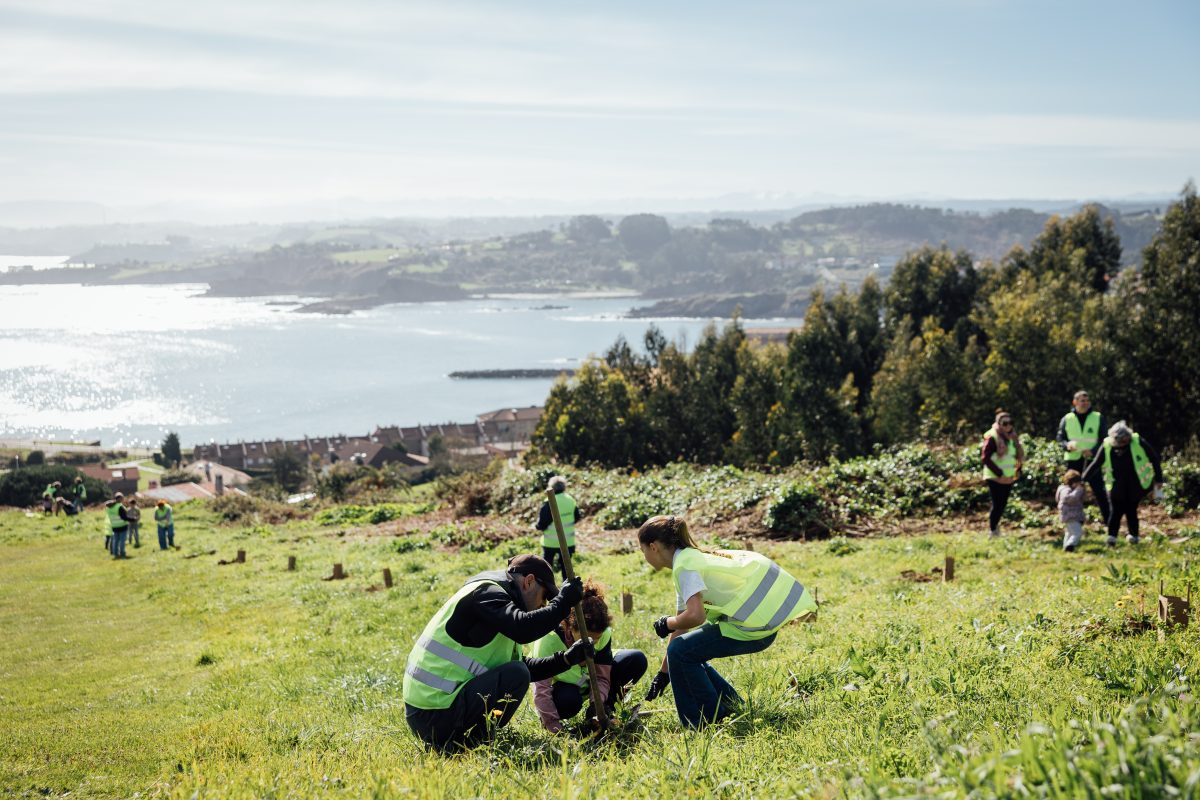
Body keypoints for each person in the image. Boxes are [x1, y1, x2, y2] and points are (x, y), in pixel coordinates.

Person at [637, 514, 817, 728]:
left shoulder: (685, 567)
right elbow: (683, 625)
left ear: (653, 546)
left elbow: (695, 617)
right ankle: (730, 706)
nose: (645, 556)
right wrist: (664, 673)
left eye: (643, 551)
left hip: (753, 628)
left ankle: (705, 722)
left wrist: (667, 623)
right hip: (763, 624)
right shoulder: (689, 559)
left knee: (682, 651)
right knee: (685, 652)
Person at [403, 554, 591, 752]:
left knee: (517, 672)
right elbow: (524, 630)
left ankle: (469, 743)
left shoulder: (501, 604)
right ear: (529, 582)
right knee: (517, 674)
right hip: (433, 713)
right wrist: (561, 604)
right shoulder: (487, 593)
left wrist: (567, 658)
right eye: (544, 597)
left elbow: (521, 668)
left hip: (435, 709)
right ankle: (475, 745)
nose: (542, 606)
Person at [530, 580, 647, 733]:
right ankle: (553, 717)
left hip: (589, 683)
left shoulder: (603, 633)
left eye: (596, 640)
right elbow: (541, 689)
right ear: (569, 628)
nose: (591, 644)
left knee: (636, 660)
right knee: (569, 700)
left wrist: (597, 705)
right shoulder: (548, 639)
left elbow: (602, 677)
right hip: (566, 689)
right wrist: (553, 727)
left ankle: (606, 710)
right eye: (584, 640)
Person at [1085, 421, 1163, 546]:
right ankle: (1111, 538)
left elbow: (1154, 458)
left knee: (1131, 510)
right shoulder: (1107, 445)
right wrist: (1082, 479)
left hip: (1136, 484)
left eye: (1126, 440)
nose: (1124, 443)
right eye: (1121, 441)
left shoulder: (1137, 441)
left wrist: (1158, 480)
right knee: (1115, 511)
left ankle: (1134, 537)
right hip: (1116, 485)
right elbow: (1096, 463)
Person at [1056, 391, 1110, 530]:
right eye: (1082, 400)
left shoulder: (1098, 417)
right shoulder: (1067, 418)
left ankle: (1109, 522)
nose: (1085, 402)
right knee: (1071, 492)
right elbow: (1060, 438)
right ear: (1075, 402)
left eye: (1087, 400)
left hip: (1092, 460)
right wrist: (1067, 445)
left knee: (1099, 491)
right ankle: (1072, 523)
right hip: (1073, 461)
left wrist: (1093, 451)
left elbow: (1104, 438)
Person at [981, 411, 1024, 538]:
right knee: (997, 504)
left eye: (1011, 423)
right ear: (999, 424)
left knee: (1003, 504)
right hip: (995, 476)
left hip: (1008, 477)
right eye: (1005, 423)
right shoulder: (992, 437)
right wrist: (999, 473)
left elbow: (1016, 456)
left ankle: (995, 527)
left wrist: (1017, 471)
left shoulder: (1012, 438)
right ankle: (993, 530)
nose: (1008, 426)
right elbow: (985, 458)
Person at [535, 475, 581, 576]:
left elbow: (541, 524)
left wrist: (537, 526)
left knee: (547, 570)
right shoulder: (571, 500)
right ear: (564, 486)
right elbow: (577, 517)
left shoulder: (549, 502)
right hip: (568, 542)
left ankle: (549, 590)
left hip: (550, 543)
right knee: (567, 571)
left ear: (551, 487)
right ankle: (568, 590)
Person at [1056, 470, 1086, 552]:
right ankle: (1070, 545)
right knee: (1077, 533)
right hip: (1071, 515)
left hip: (1070, 515)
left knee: (1069, 533)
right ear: (1072, 482)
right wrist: (1079, 490)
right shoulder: (1066, 490)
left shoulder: (1067, 489)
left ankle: (1066, 546)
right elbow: (1070, 499)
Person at [105, 492, 131, 558]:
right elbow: (124, 517)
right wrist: (134, 519)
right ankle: (122, 553)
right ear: (120, 498)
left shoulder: (109, 507)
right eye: (122, 498)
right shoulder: (119, 506)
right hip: (122, 526)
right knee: (122, 541)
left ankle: (115, 554)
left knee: (115, 541)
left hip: (114, 526)